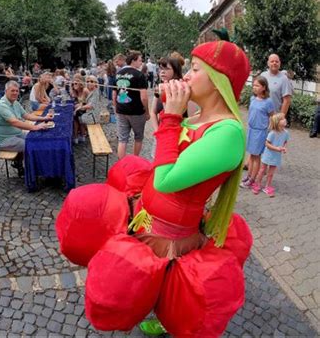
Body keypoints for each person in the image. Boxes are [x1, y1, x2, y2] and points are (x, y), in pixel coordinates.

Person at [56, 39, 253, 336]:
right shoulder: (200, 116)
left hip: (171, 230)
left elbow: (166, 179)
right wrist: (173, 114)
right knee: (135, 260)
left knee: (163, 278)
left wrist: (173, 115)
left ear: (218, 81)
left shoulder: (228, 132)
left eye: (195, 69)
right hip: (147, 214)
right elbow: (167, 152)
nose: (184, 76)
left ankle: (164, 317)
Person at [0, 81, 54, 175]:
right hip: (3, 140)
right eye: (12, 91)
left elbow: (26, 115)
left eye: (17, 91)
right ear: (6, 91)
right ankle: (33, 172)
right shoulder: (1, 105)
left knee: (37, 139)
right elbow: (14, 122)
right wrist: (35, 127)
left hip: (16, 135)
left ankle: (32, 167)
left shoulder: (15, 103)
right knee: (31, 145)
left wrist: (44, 118)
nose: (15, 93)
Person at [113, 50, 149, 159]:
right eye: (140, 60)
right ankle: (135, 160)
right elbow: (144, 97)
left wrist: (116, 107)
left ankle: (121, 164)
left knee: (122, 139)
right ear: (133, 61)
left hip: (121, 109)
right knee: (138, 137)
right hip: (136, 111)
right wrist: (147, 111)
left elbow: (114, 94)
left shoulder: (118, 74)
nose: (141, 63)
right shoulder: (139, 75)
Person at [240, 76, 274, 190]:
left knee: (256, 156)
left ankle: (252, 179)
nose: (254, 87)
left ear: (264, 87)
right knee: (251, 155)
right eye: (253, 85)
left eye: (257, 85)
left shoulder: (268, 102)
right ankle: (249, 176)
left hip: (260, 132)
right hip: (251, 129)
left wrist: (269, 131)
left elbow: (272, 117)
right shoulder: (252, 99)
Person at [251, 113, 289, 198]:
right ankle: (258, 184)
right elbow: (267, 143)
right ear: (277, 122)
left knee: (271, 173)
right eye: (282, 119)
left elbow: (285, 142)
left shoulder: (286, 133)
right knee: (262, 170)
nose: (285, 120)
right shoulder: (272, 133)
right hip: (268, 155)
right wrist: (276, 148)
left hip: (276, 156)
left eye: (284, 118)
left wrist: (284, 148)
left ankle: (267, 186)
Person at [150, 57, 183, 132]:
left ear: (175, 71)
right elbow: (153, 112)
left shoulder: (182, 89)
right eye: (161, 68)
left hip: (179, 132)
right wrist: (157, 131)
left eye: (166, 69)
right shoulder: (159, 88)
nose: (162, 72)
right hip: (162, 131)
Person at [70, 73, 90, 144]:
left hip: (89, 110)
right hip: (81, 111)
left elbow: (88, 103)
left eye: (76, 83)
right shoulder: (76, 91)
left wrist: (78, 106)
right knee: (76, 115)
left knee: (76, 116)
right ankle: (80, 135)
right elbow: (77, 102)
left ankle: (76, 136)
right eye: (73, 83)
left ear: (80, 82)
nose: (74, 84)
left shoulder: (85, 90)